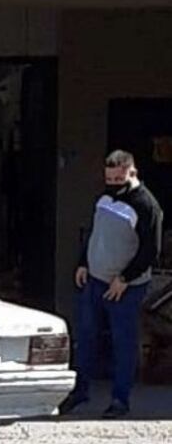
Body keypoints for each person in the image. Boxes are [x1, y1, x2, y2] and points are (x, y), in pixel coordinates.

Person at [60, 150, 164, 418]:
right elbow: (95, 233)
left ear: (133, 173)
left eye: (120, 178)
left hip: (125, 286)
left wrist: (125, 279)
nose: (114, 183)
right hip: (94, 280)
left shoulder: (146, 205)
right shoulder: (104, 197)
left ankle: (120, 399)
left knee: (123, 342)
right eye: (109, 178)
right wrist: (84, 262)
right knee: (86, 337)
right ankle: (80, 392)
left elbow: (150, 251)